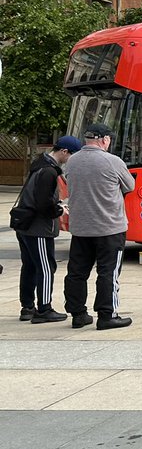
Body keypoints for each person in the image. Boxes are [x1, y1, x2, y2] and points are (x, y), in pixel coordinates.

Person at [62, 124, 135, 330]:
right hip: (109, 228)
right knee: (108, 273)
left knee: (76, 272)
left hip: (81, 228)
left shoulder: (72, 161)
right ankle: (107, 315)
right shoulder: (112, 161)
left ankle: (78, 314)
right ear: (104, 140)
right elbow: (130, 186)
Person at [16, 136, 81, 324]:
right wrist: (59, 209)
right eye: (72, 155)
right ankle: (44, 309)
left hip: (26, 225)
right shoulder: (49, 172)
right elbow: (43, 203)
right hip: (39, 228)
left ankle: (27, 307)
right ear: (64, 152)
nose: (70, 160)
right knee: (46, 267)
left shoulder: (39, 164)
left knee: (29, 266)